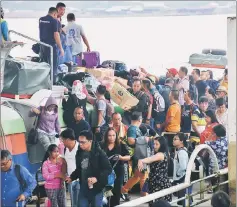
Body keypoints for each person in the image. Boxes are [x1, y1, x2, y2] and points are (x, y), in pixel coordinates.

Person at [66, 130, 112, 207]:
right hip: (83, 188)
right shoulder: (79, 153)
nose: (80, 144)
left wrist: (96, 178)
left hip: (97, 188)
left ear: (90, 141)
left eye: (83, 142)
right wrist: (72, 177)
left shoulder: (99, 153)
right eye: (79, 142)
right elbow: (79, 169)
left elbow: (108, 169)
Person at [121, 112, 150, 200]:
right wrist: (144, 139)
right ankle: (144, 193)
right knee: (143, 175)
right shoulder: (133, 129)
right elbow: (131, 141)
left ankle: (124, 189)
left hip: (137, 155)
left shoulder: (133, 128)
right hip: (137, 155)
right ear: (140, 120)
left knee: (137, 176)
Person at [138, 136, 172, 206]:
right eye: (154, 144)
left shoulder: (160, 154)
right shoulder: (165, 153)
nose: (154, 146)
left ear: (162, 145)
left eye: (157, 144)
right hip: (157, 183)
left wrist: (141, 160)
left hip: (159, 184)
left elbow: (150, 159)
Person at [101, 128, 130, 206]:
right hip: (104, 174)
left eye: (113, 135)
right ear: (106, 136)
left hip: (117, 173)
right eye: (109, 135)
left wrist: (121, 158)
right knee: (105, 195)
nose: (112, 137)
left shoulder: (121, 145)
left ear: (116, 136)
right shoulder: (101, 145)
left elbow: (129, 157)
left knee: (116, 194)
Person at [39, 7, 64, 84]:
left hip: (42, 46)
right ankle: (52, 85)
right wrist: (61, 48)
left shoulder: (41, 19)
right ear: (54, 14)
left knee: (44, 65)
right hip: (51, 47)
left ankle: (43, 83)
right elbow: (56, 35)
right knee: (53, 67)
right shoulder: (54, 21)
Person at [60, 129, 80, 207]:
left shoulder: (80, 148)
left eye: (63, 140)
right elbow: (65, 163)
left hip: (80, 180)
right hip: (70, 180)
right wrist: (63, 176)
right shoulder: (65, 149)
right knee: (73, 203)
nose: (62, 142)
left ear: (68, 140)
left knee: (80, 203)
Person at [172, 132, 190, 206]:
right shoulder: (181, 151)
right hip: (182, 179)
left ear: (181, 141)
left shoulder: (181, 152)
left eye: (175, 139)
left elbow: (183, 167)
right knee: (184, 200)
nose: (173, 140)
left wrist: (177, 175)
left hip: (181, 180)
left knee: (184, 201)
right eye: (173, 139)